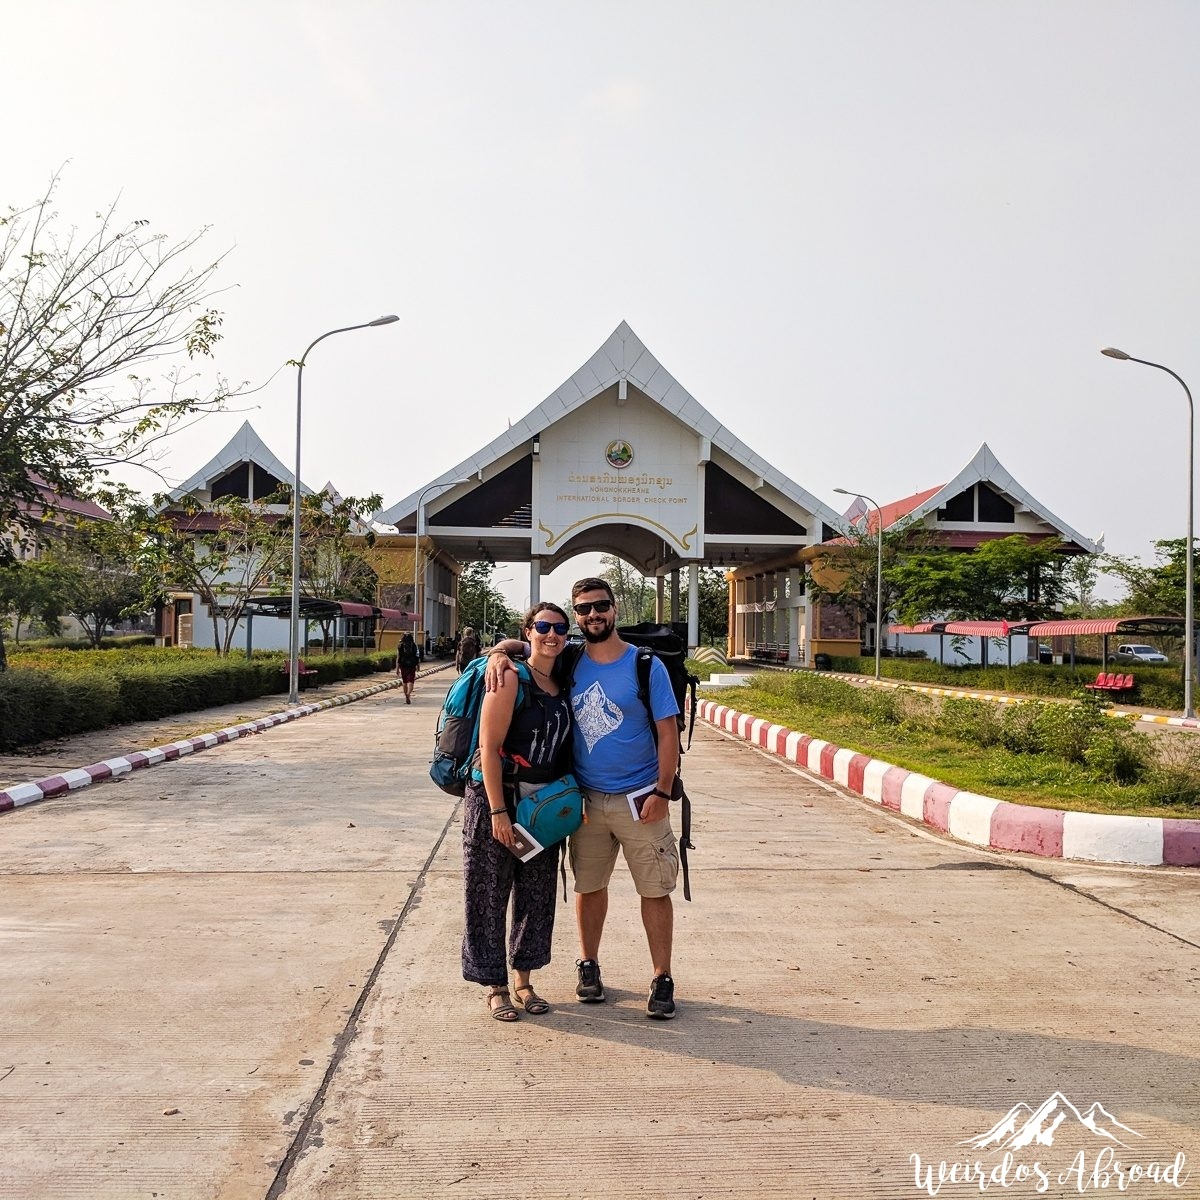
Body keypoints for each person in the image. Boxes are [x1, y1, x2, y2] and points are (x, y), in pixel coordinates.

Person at [488, 578, 681, 1020]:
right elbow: (528, 645)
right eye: (584, 609)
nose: (593, 615)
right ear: (577, 618)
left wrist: (663, 792)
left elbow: (668, 732)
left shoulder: (644, 664)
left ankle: (661, 976)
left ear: (614, 610)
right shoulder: (570, 659)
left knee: (654, 890)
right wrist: (499, 651)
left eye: (601, 606)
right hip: (586, 804)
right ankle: (589, 964)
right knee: (588, 887)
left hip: (640, 799)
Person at [462, 603, 573, 1021]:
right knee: (488, 893)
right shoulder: (508, 676)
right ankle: (495, 986)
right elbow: (488, 749)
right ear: (529, 631)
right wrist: (497, 812)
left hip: (543, 807)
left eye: (559, 628)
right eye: (542, 627)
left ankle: (524, 980)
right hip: (498, 799)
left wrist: (500, 647)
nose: (551, 635)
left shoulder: (564, 674)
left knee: (537, 894)